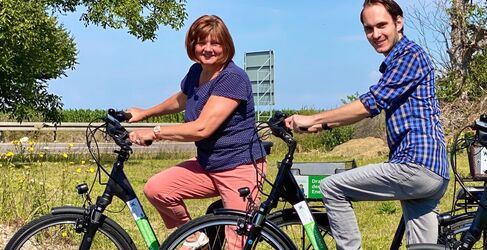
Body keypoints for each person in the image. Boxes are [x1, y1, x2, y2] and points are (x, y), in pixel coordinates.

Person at [284, 0, 449, 249]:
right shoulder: (401, 58)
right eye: (368, 28)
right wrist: (325, 126)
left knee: (332, 187)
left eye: (381, 25)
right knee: (422, 247)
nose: (375, 34)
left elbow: (370, 103)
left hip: (414, 166)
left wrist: (314, 118)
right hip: (433, 171)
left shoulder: (409, 56)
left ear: (399, 22)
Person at [128, 15, 267, 249]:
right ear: (192, 45)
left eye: (215, 43)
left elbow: (202, 128)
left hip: (239, 168)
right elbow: (181, 99)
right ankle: (195, 239)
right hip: (208, 164)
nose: (208, 49)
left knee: (236, 242)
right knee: (157, 189)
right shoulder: (197, 72)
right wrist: (145, 112)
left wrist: (155, 132)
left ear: (226, 46)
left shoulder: (232, 78)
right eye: (202, 43)